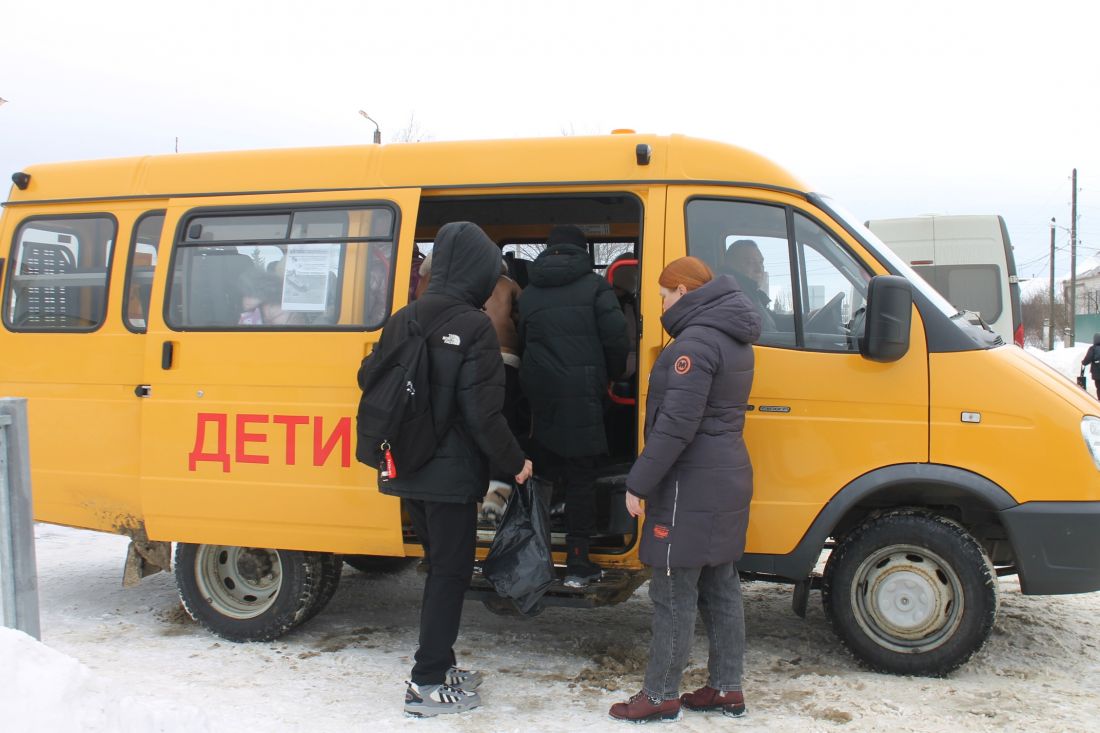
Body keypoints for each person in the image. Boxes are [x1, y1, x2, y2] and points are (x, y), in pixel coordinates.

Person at [371, 221, 533, 717]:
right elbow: (483, 414)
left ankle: (441, 662)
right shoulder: (474, 325)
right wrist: (515, 462)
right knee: (450, 573)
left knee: (440, 568)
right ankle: (425, 684)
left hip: (407, 466)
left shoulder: (404, 316)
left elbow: (369, 375)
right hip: (450, 473)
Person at [609, 256, 761, 723]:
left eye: (662, 295)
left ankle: (659, 695)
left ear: (680, 290)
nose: (661, 303)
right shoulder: (734, 338)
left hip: (688, 485)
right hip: (725, 475)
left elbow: (676, 426)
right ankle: (726, 687)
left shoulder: (693, 344)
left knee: (672, 589)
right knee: (720, 585)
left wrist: (639, 482)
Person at [518, 224, 629, 587]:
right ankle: (579, 563)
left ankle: (537, 558)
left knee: (543, 475)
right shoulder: (597, 287)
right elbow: (616, 340)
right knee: (582, 477)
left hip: (540, 395)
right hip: (583, 393)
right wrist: (611, 376)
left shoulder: (530, 293)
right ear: (582, 251)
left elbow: (524, 341)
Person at [721, 239, 777, 331]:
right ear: (730, 266)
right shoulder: (734, 299)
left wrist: (806, 317)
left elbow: (773, 320)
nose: (759, 269)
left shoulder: (751, 295)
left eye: (761, 262)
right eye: (750, 262)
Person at [1082, 333, 1100, 400]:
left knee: (1099, 387)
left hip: (1097, 373)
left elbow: (1088, 359)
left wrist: (1084, 362)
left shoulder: (1093, 348)